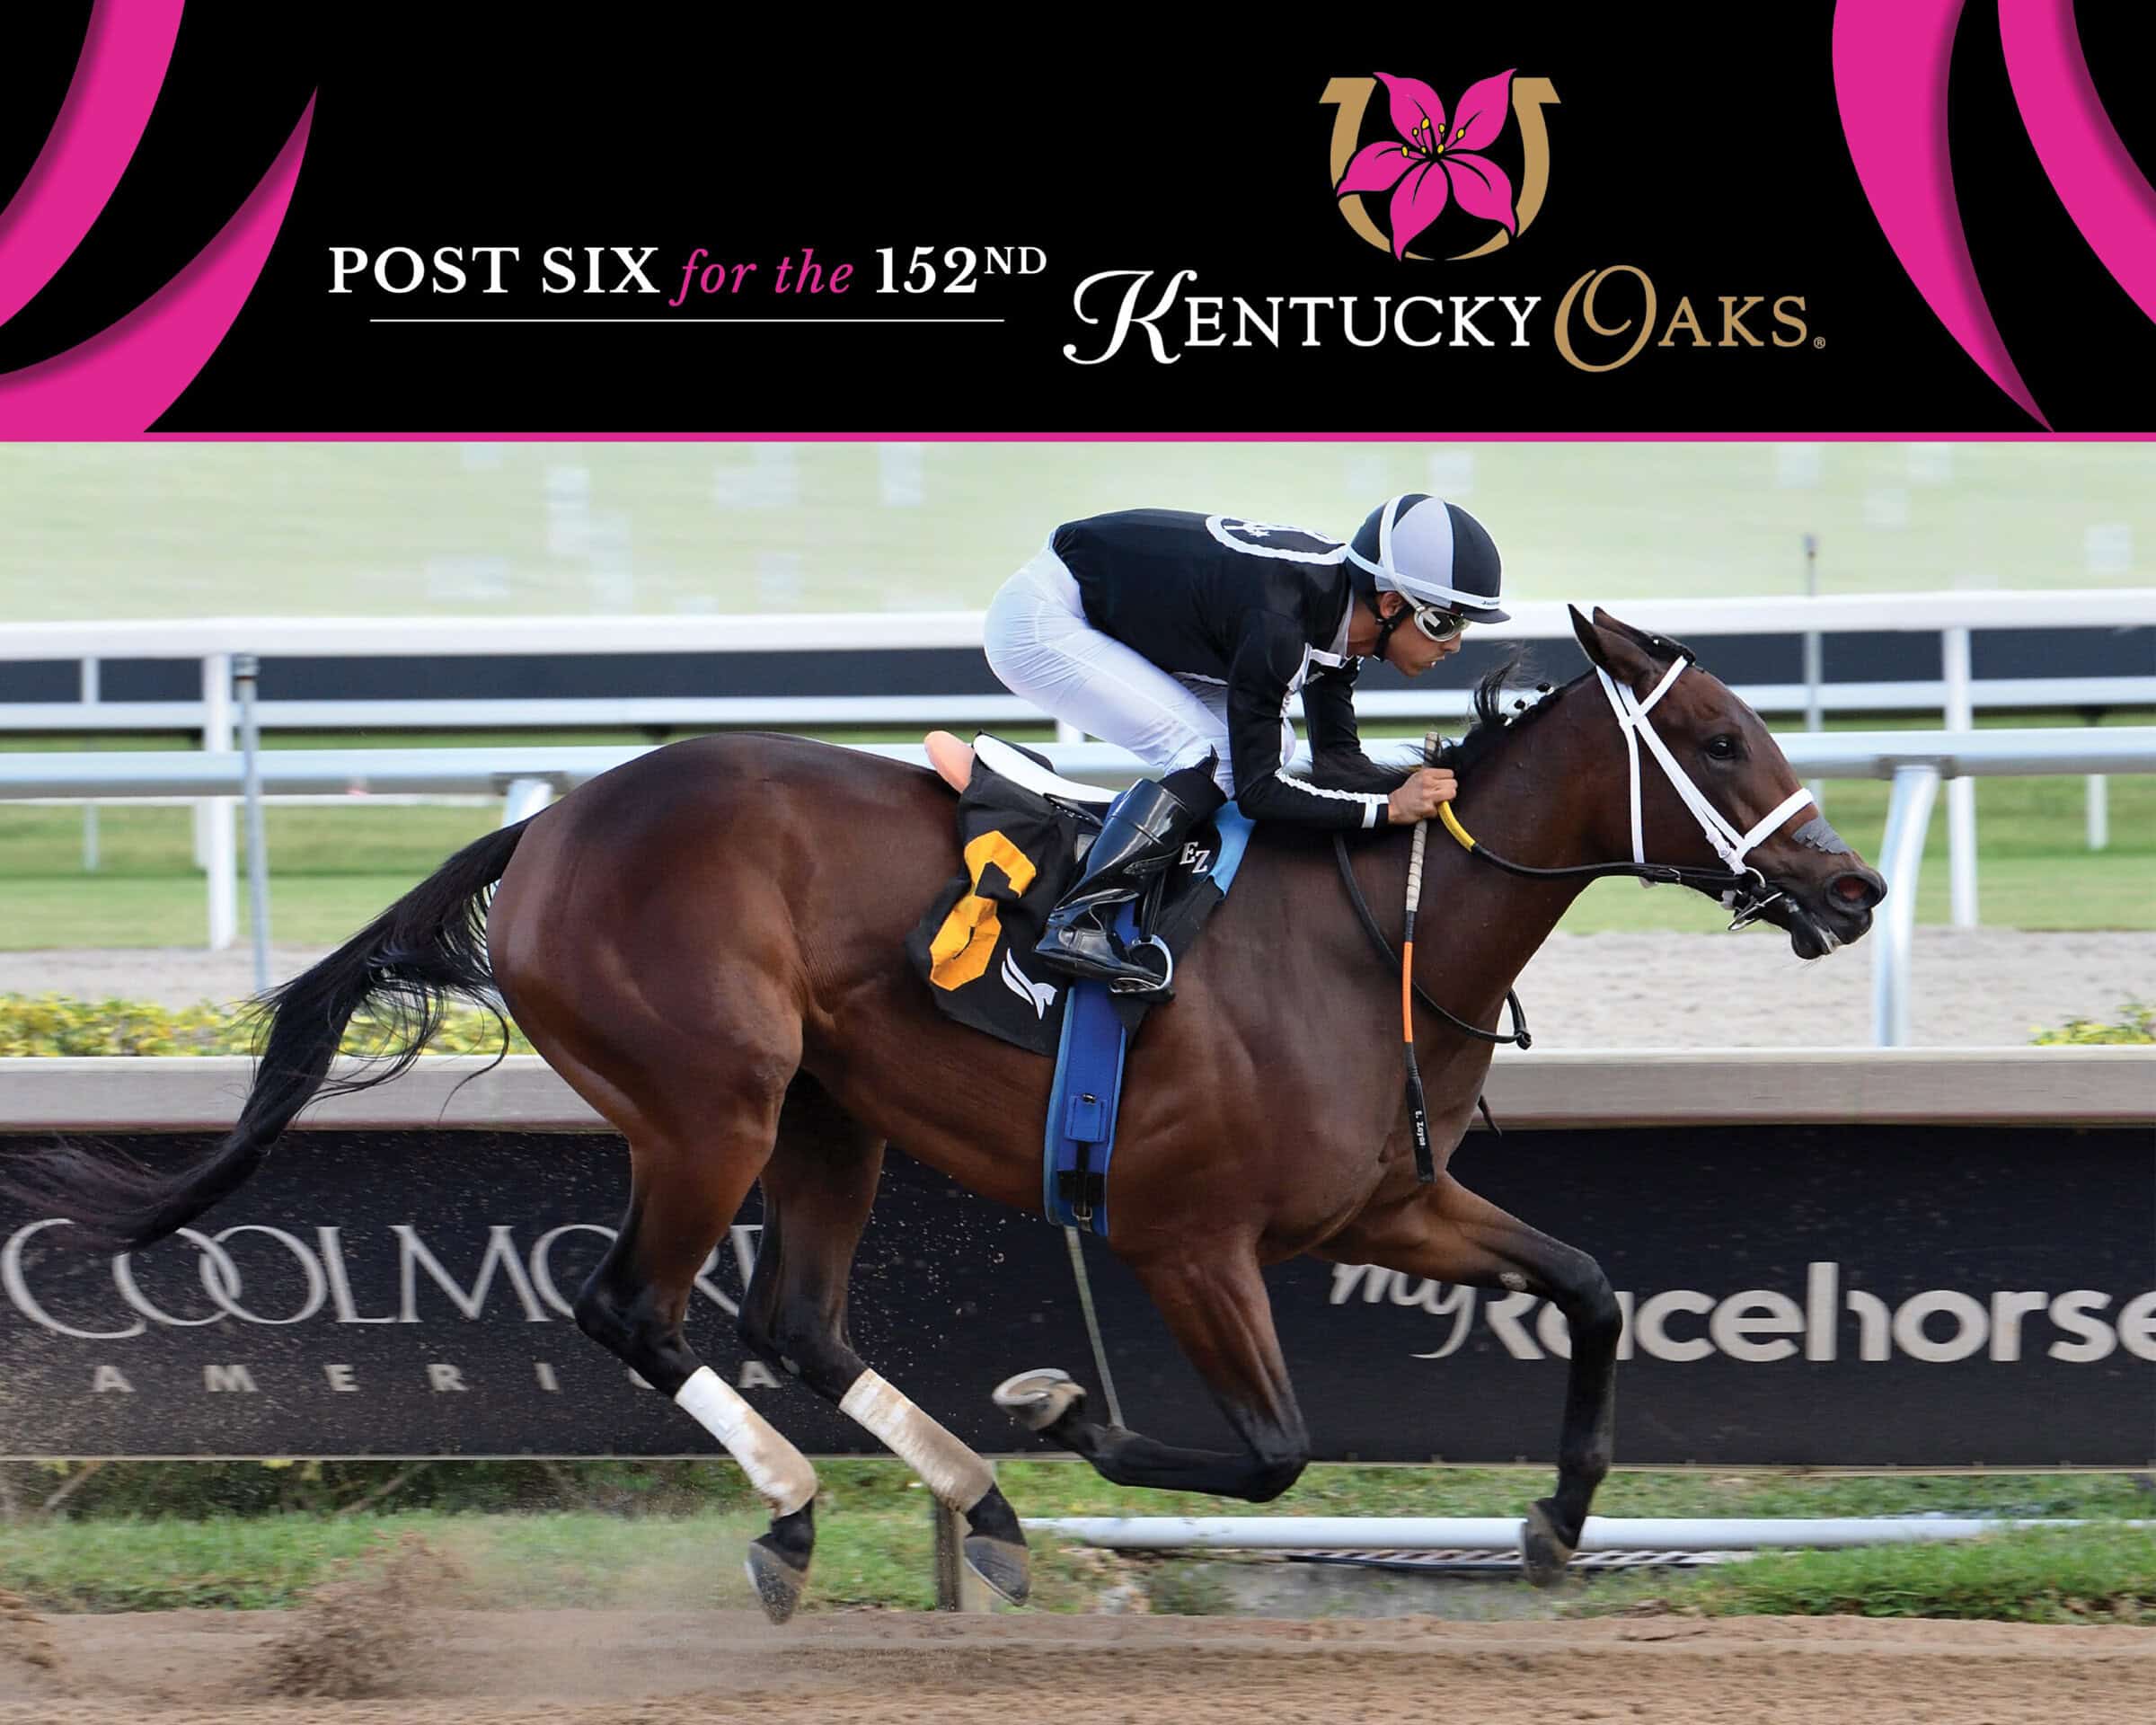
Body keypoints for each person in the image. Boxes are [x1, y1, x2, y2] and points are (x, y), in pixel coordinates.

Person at [982, 493, 1509, 991]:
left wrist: (1394, 807)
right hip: (1044, 620)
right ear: (1391, 603)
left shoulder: (1344, 611)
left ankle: (1184, 884)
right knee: (1212, 759)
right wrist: (1389, 807)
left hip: (1116, 602)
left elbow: (1338, 759)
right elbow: (1259, 793)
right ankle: (1078, 918)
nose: (1456, 643)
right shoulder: (1282, 623)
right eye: (1444, 622)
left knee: (1271, 745)